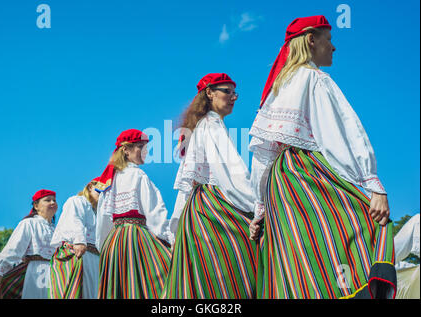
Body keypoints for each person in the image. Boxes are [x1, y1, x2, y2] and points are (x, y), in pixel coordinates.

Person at [248, 15, 396, 299]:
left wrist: (260, 209)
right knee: (364, 224)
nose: (334, 47)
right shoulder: (316, 79)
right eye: (329, 39)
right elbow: (342, 135)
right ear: (312, 40)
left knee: (299, 260)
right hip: (306, 175)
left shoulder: (278, 87)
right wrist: (372, 183)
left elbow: (263, 154)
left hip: (278, 186)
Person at [162, 73, 263, 299]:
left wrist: (176, 228)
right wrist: (259, 206)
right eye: (226, 91)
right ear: (209, 93)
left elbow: (186, 187)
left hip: (195, 215)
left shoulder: (201, 125)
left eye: (234, 92)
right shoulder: (211, 124)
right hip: (212, 212)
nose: (233, 97)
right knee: (247, 262)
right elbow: (232, 174)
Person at [95, 129, 172, 299]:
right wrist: (171, 240)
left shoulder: (109, 180)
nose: (145, 151)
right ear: (126, 150)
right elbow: (155, 214)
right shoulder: (139, 175)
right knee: (164, 277)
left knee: (118, 288)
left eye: (145, 147)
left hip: (114, 244)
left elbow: (103, 221)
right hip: (136, 240)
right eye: (140, 147)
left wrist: (104, 249)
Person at [0, 189, 57, 299]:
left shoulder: (57, 230)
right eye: (47, 200)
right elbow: (14, 249)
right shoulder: (28, 223)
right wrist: (0, 270)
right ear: (36, 205)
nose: (52, 203)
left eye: (54, 200)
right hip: (34, 272)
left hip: (55, 274)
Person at [49, 178, 100, 299]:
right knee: (77, 292)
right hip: (79, 254)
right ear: (90, 187)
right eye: (101, 191)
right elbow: (75, 219)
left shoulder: (100, 212)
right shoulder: (78, 201)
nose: (104, 195)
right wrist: (79, 240)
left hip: (96, 258)